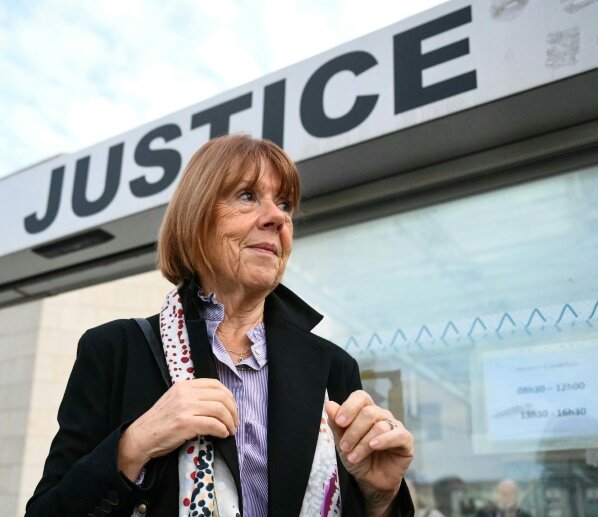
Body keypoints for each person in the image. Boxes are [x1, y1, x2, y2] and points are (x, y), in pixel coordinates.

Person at [26, 135, 415, 516]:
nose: (278, 217)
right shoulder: (114, 351)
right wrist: (134, 445)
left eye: (285, 204)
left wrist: (379, 499)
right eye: (247, 196)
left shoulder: (333, 368)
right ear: (196, 217)